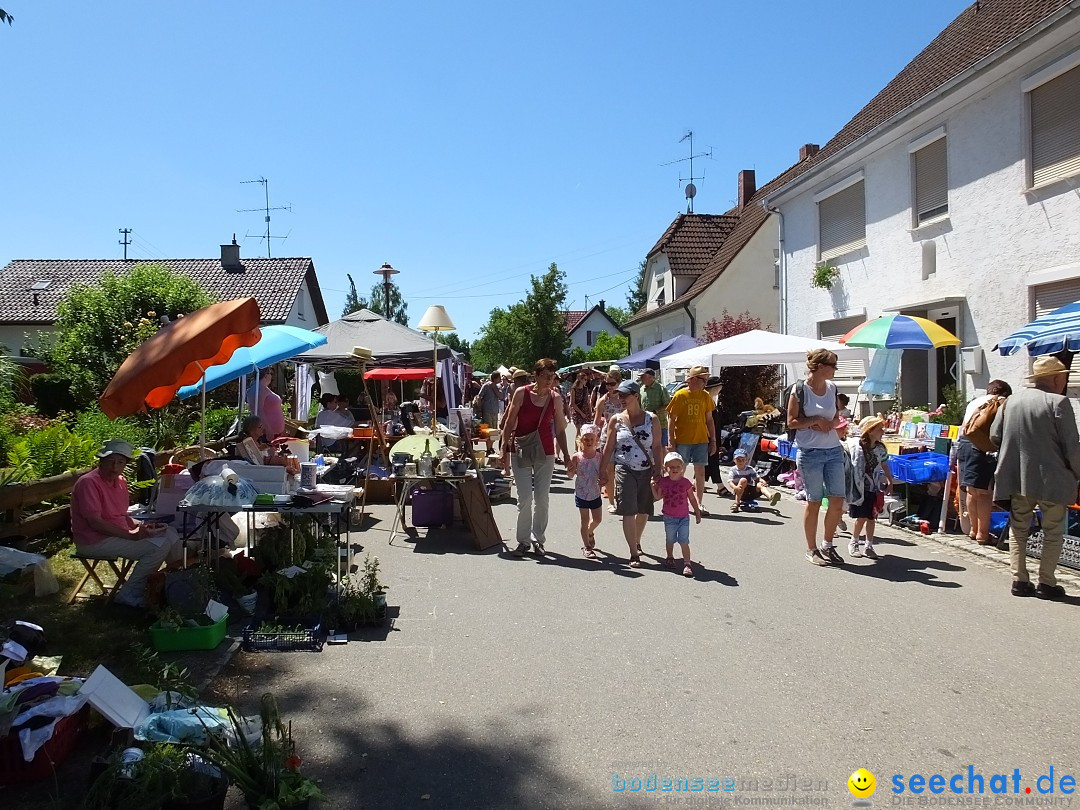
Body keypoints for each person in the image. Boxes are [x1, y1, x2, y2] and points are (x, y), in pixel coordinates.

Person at [991, 356, 1080, 600]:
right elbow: (1072, 445)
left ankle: (1019, 580)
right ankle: (1046, 583)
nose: (1065, 380)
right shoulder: (1059, 402)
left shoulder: (1011, 401)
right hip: (1052, 479)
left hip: (1018, 477)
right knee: (1052, 531)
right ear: (1055, 378)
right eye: (1064, 376)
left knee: (1018, 529)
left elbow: (995, 436)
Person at [70, 440, 184, 609]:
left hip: (115, 534)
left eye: (120, 462)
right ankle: (130, 593)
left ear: (126, 464)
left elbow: (122, 516)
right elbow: (95, 523)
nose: (115, 467)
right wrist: (132, 535)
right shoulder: (88, 483)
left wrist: (147, 525)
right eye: (110, 462)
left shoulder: (121, 481)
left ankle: (176, 583)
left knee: (171, 533)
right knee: (158, 546)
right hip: (93, 541)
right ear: (100, 461)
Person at [502, 358, 571, 556]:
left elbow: (560, 428)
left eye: (553, 377)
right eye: (546, 376)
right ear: (536, 375)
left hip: (546, 451)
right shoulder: (521, 393)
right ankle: (523, 541)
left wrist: (566, 454)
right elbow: (509, 421)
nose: (550, 380)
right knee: (525, 497)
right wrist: (503, 448)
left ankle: (538, 538)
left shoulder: (555, 397)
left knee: (542, 498)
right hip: (521, 448)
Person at [788, 348, 847, 566]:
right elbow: (791, 422)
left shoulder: (832, 388)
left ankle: (827, 544)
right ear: (821, 366)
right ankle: (811, 549)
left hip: (833, 450)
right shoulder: (800, 390)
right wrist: (815, 421)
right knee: (813, 501)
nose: (836, 370)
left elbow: (835, 417)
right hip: (810, 452)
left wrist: (834, 424)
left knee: (837, 500)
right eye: (833, 365)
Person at [599, 380, 663, 568]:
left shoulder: (652, 419)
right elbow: (609, 447)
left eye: (624, 395)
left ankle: (636, 540)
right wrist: (602, 470)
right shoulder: (616, 420)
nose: (621, 399)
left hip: (646, 469)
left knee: (644, 510)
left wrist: (659, 469)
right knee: (628, 511)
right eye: (619, 395)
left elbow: (657, 446)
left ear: (636, 396)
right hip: (624, 468)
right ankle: (633, 553)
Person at [956, 379, 1013, 545]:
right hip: (981, 448)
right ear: (1003, 393)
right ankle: (983, 534)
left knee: (971, 490)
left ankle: (974, 530)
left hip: (964, 444)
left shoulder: (975, 402)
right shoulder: (1000, 402)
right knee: (983, 493)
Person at [666, 365, 716, 512]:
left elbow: (709, 420)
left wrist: (713, 440)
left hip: (701, 439)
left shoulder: (705, 396)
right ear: (693, 379)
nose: (705, 383)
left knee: (700, 472)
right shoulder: (680, 395)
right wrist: (671, 441)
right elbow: (671, 420)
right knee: (679, 471)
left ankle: (699, 503)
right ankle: (679, 500)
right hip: (683, 440)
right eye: (703, 379)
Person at [846, 416, 894, 560]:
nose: (883, 431)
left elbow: (884, 465)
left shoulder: (880, 449)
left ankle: (869, 545)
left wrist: (889, 480)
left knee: (872, 517)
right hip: (861, 488)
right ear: (870, 430)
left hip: (874, 487)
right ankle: (854, 542)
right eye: (880, 429)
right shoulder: (859, 447)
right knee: (861, 517)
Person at [652, 451, 701, 577]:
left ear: (682, 468)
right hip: (669, 517)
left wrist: (697, 512)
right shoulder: (663, 482)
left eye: (677, 467)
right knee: (670, 539)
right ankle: (669, 557)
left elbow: (692, 498)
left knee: (684, 541)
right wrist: (652, 486)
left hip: (683, 517)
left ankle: (687, 563)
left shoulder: (686, 483)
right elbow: (658, 496)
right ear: (666, 468)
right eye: (671, 467)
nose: (674, 469)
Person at [566, 423, 604, 559]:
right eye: (585, 439)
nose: (588, 442)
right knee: (584, 520)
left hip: (595, 493)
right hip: (581, 493)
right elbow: (570, 475)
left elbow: (602, 473)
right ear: (580, 440)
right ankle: (587, 547)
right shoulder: (576, 457)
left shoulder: (599, 456)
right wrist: (570, 471)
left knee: (598, 519)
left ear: (596, 441)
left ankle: (590, 531)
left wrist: (604, 480)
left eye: (591, 439)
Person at [593, 369, 624, 512]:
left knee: (624, 470)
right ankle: (612, 501)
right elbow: (596, 421)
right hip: (607, 437)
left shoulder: (625, 398)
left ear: (619, 383)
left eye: (612, 384)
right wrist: (594, 439)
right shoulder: (602, 400)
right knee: (609, 470)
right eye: (607, 384)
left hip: (625, 437)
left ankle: (623, 498)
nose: (609, 387)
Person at [248, 368, 285, 440]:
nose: (271, 376)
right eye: (271, 374)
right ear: (266, 375)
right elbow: (258, 410)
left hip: (273, 433)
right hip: (266, 434)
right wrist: (268, 430)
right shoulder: (259, 388)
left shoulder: (263, 388)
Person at [638, 369, 671, 447]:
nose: (641, 379)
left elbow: (668, 405)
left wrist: (655, 411)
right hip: (645, 424)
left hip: (660, 424)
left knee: (661, 447)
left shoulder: (661, 388)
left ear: (650, 377)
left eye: (643, 376)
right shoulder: (641, 389)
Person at [568, 371, 593, 441]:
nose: (586, 381)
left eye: (586, 379)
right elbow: (572, 403)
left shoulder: (585, 389)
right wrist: (581, 413)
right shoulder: (574, 389)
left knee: (585, 431)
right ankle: (577, 449)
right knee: (579, 430)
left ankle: (582, 447)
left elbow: (587, 401)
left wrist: (590, 412)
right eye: (584, 379)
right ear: (580, 379)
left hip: (585, 411)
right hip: (577, 411)